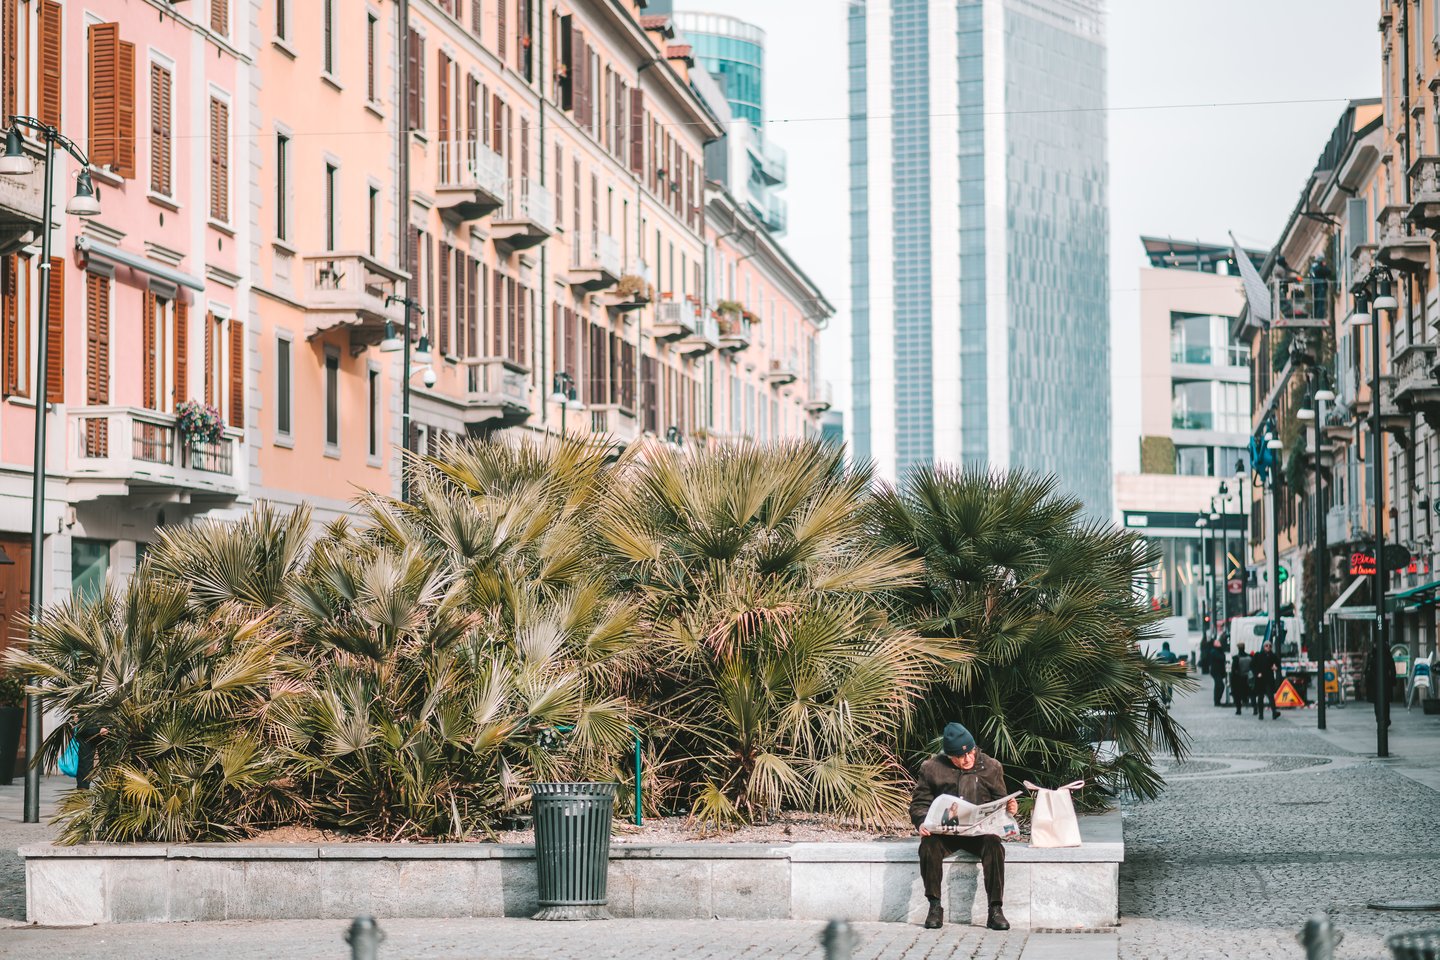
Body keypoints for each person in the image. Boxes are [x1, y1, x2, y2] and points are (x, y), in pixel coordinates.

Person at [909, 722, 1017, 931]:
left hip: (979, 834)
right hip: (946, 833)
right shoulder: (931, 768)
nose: (968, 759)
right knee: (928, 846)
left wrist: (1009, 810)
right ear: (950, 756)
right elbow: (919, 803)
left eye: (971, 753)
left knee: (995, 846)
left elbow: (1001, 802)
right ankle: (934, 906)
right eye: (960, 756)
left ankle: (995, 910)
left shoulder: (991, 766)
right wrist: (922, 822)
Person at [1250, 640, 1281, 720]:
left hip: (1268, 679)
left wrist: (1276, 667)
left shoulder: (1272, 655)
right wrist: (1257, 673)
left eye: (1270, 646)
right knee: (1260, 697)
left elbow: (1278, 664)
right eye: (1266, 646)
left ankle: (1274, 712)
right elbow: (1252, 665)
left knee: (1270, 696)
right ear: (1263, 647)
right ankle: (1261, 714)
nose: (1268, 647)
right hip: (1260, 679)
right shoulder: (1258, 655)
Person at [1202, 639, 1227, 706]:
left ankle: (1217, 701)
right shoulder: (1214, 651)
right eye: (1217, 642)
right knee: (1220, 685)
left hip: (1218, 671)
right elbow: (1222, 658)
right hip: (1216, 671)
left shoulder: (1218, 650)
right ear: (1214, 644)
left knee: (1219, 686)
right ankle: (1217, 701)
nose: (1219, 642)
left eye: (1219, 641)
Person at [1230, 644, 1252, 716]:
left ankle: (1238, 709)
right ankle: (1254, 708)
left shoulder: (1236, 658)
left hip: (1238, 679)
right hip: (1248, 678)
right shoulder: (1249, 657)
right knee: (1251, 693)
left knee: (1237, 695)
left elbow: (1233, 670)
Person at [1156, 642, 1179, 706]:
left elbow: (1156, 664)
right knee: (1169, 687)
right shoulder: (1172, 654)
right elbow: (1176, 665)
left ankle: (1164, 701)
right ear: (1168, 647)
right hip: (1170, 673)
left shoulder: (1159, 654)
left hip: (1162, 673)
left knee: (1162, 687)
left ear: (1163, 647)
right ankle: (1168, 701)